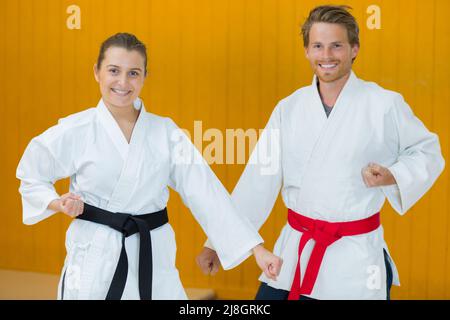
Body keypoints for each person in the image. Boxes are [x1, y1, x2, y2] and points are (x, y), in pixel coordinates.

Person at [196, 5, 445, 300]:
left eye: (336, 46)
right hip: (294, 256)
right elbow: (256, 182)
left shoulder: (383, 104)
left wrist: (393, 175)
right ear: (307, 51)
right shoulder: (288, 109)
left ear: (354, 49)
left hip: (354, 260)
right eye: (318, 46)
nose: (326, 56)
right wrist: (218, 241)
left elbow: (428, 151)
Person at [16, 33, 282, 300]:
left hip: (153, 254)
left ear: (144, 76)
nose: (123, 82)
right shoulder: (76, 129)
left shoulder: (165, 132)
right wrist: (57, 203)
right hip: (94, 258)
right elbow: (31, 176)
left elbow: (206, 192)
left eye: (133, 73)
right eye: (113, 71)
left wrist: (256, 249)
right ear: (96, 72)